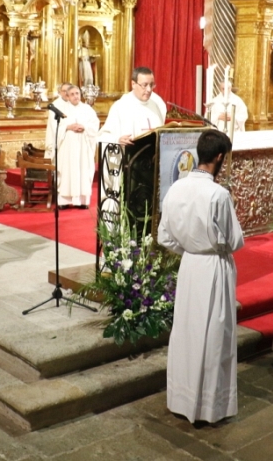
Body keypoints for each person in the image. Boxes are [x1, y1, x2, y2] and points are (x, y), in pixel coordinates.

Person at [158, 130, 244, 424]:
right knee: (213, 336)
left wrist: (189, 249)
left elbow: (164, 237)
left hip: (190, 266)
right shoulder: (218, 194)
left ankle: (182, 400)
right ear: (219, 157)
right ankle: (208, 407)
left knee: (187, 332)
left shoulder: (177, 189)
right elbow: (235, 241)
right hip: (213, 269)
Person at [97, 67, 166, 145]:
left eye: (151, 85)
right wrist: (117, 140)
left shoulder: (156, 106)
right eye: (145, 85)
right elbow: (103, 136)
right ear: (133, 84)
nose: (149, 89)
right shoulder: (121, 107)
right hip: (130, 155)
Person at [56, 85, 100, 209]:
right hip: (68, 148)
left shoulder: (87, 109)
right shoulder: (62, 110)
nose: (76, 96)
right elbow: (57, 127)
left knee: (83, 171)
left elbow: (95, 124)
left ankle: (82, 201)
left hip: (83, 146)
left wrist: (84, 126)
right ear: (68, 96)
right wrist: (68, 127)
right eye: (73, 94)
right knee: (67, 172)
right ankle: (64, 201)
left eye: (77, 93)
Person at [44, 82, 72, 159]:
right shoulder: (55, 105)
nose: (66, 93)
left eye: (68, 91)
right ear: (60, 92)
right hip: (58, 142)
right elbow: (54, 127)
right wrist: (68, 127)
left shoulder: (73, 104)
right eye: (64, 91)